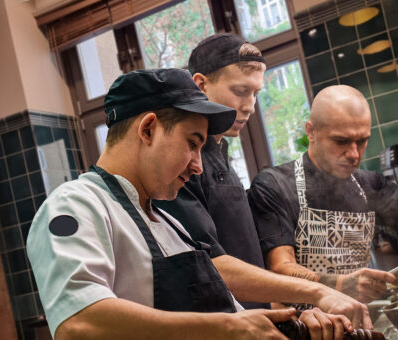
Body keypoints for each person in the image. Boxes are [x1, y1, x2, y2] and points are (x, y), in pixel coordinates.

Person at [26, 69, 368, 339]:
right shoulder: (76, 206)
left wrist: (295, 322)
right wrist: (231, 329)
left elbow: (229, 312)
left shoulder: (169, 224)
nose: (198, 165)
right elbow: (78, 323)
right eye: (192, 143)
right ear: (147, 130)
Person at [248, 85, 398, 304]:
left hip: (362, 319)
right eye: (341, 141)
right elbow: (280, 267)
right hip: (307, 326)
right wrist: (339, 285)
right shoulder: (274, 185)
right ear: (311, 132)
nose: (354, 154)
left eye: (362, 141)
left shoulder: (370, 184)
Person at [155, 33, 267, 309]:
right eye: (241, 91)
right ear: (201, 85)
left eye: (255, 94)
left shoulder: (221, 155)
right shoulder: (181, 165)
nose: (250, 106)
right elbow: (209, 263)